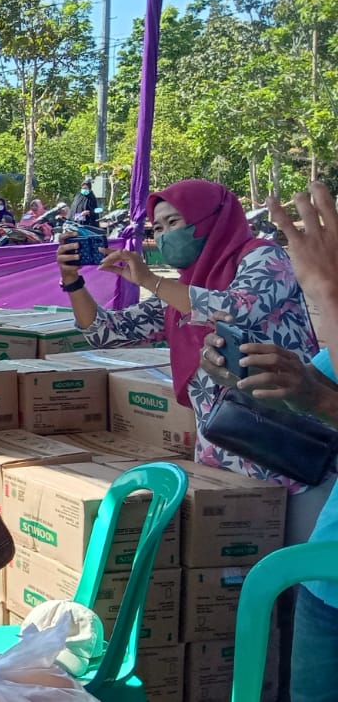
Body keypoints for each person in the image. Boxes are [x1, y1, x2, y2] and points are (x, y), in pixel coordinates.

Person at [57, 179, 326, 535]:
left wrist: (152, 281)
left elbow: (235, 309)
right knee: (236, 575)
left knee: (299, 572)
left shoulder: (262, 255)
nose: (166, 236)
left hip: (290, 451)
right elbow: (109, 332)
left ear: (209, 218)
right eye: (158, 228)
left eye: (175, 223)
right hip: (225, 453)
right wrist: (73, 282)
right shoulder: (184, 288)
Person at [196, 181, 338, 702]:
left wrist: (327, 293)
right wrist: (257, 380)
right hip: (326, 578)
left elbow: (325, 401)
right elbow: (316, 392)